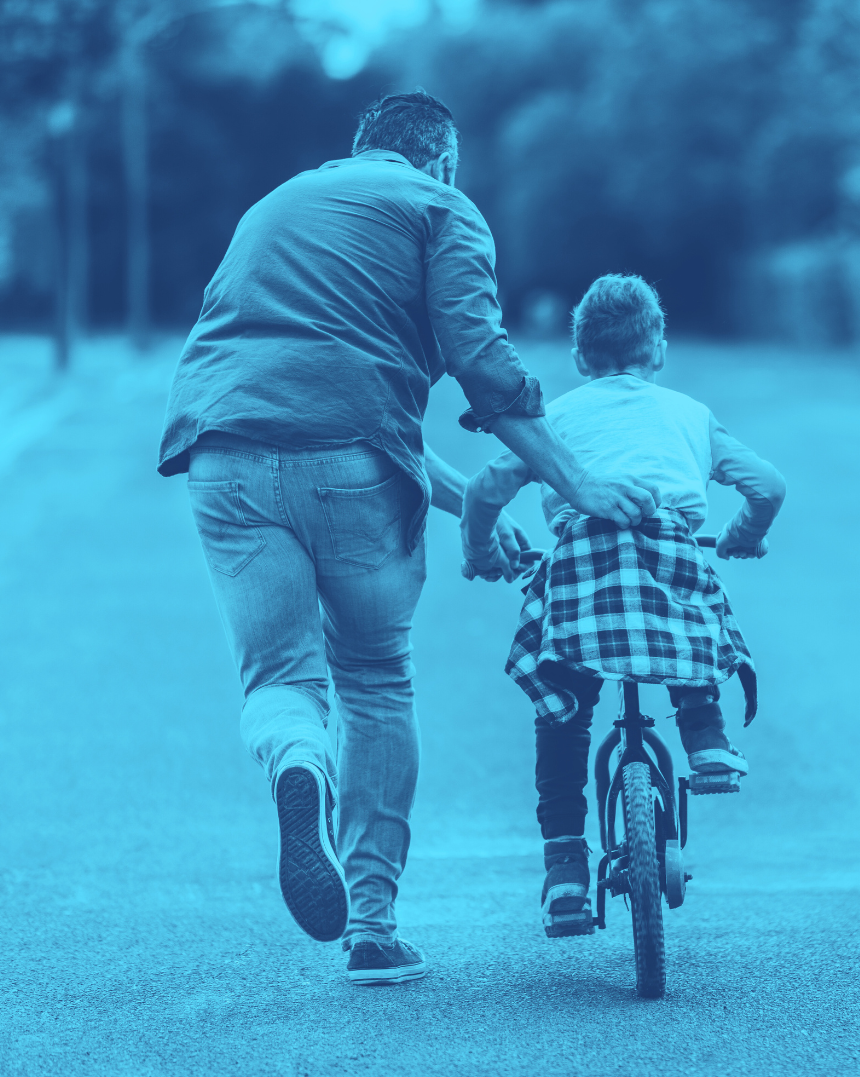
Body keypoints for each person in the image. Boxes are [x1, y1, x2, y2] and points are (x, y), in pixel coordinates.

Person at [156, 94, 660, 983]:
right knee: (375, 678)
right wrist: (577, 483)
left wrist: (480, 504)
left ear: (360, 151)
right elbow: (480, 361)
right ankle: (372, 929)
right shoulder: (441, 208)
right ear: (445, 162)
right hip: (349, 465)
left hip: (221, 454)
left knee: (280, 680)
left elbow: (341, 403)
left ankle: (298, 765)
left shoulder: (277, 206)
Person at [460, 273, 786, 938]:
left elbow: (486, 487)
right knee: (695, 603)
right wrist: (741, 535)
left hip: (586, 581)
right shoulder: (690, 414)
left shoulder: (553, 421)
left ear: (580, 359)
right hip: (669, 566)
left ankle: (565, 875)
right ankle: (706, 737)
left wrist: (481, 548)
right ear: (657, 349)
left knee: (565, 719)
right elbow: (768, 486)